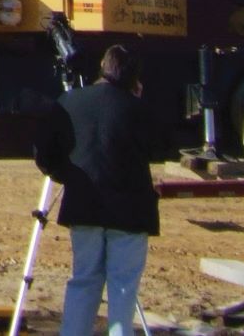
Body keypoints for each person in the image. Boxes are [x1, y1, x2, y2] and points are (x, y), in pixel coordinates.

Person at [34, 44, 160, 336]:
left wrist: (67, 176)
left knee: (83, 280)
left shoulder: (70, 101)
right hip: (130, 210)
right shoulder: (138, 108)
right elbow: (158, 146)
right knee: (123, 286)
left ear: (102, 66)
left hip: (84, 203)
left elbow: (44, 153)